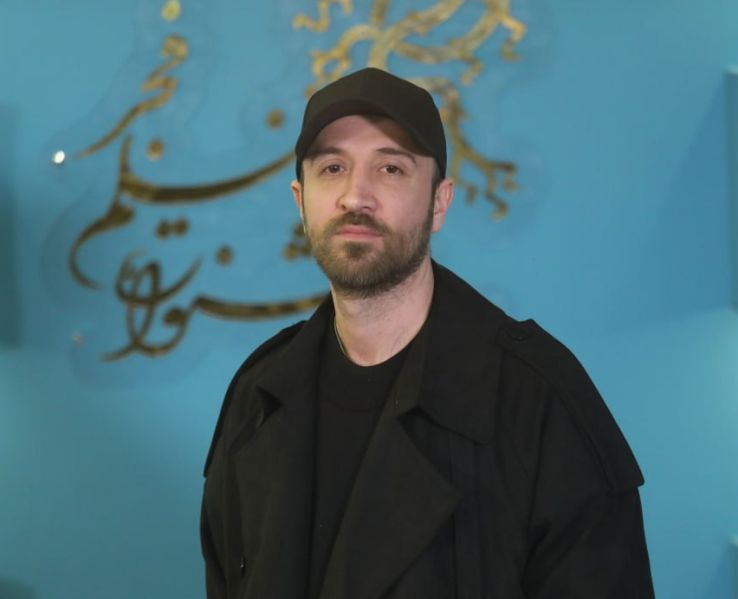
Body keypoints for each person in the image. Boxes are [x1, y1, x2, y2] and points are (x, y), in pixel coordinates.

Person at [200, 67, 655, 599]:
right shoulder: (257, 395)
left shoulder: (541, 400)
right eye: (332, 168)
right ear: (301, 201)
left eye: (390, 168)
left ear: (439, 201)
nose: (355, 196)